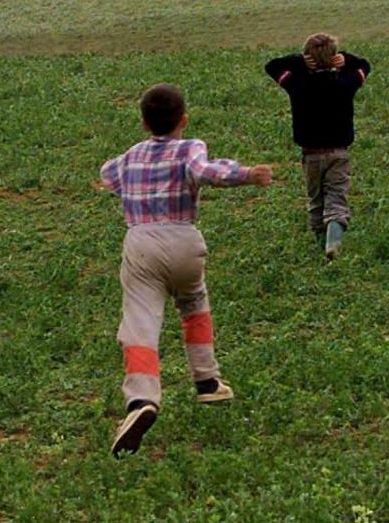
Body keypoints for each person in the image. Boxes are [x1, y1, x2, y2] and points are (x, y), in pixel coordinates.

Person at [101, 84, 273, 457]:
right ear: (184, 120)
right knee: (194, 303)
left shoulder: (131, 156)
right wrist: (244, 174)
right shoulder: (190, 147)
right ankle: (207, 381)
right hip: (184, 240)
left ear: (144, 123)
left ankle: (141, 400)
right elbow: (204, 172)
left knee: (140, 324)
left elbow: (107, 175)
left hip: (141, 243)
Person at [265, 33, 371, 259]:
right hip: (339, 152)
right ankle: (333, 240)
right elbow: (364, 67)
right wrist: (347, 59)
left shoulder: (297, 84)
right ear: (334, 58)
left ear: (307, 58)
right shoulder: (346, 83)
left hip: (311, 153)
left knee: (315, 199)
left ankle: (318, 240)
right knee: (336, 196)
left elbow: (272, 66)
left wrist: (298, 61)